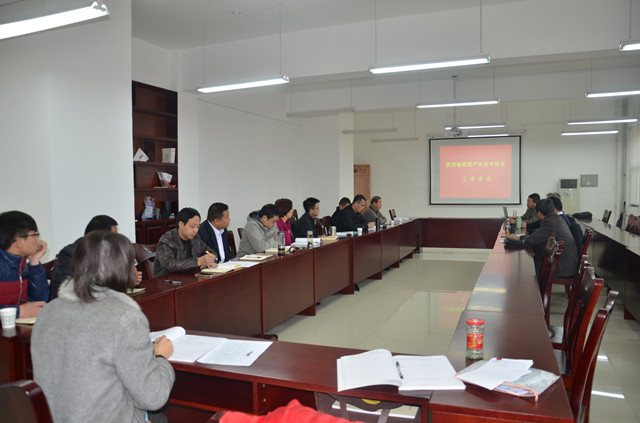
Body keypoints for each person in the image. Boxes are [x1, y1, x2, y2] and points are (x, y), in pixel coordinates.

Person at [32, 231, 175, 423]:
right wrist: (161, 357)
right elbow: (153, 397)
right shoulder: (124, 317)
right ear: (122, 268)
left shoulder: (48, 312)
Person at [50, 215, 144, 300]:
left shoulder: (107, 252)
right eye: (113, 237)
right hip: (69, 307)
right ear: (99, 237)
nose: (115, 241)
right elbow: (76, 289)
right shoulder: (70, 254)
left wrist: (127, 280)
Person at [0, 211, 49, 318]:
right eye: (35, 235)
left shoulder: (24, 267)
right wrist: (18, 312)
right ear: (20, 242)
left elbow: (40, 303)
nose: (38, 240)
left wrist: (34, 262)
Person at [521, 198, 578, 278]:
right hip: (568, 263)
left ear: (539, 213)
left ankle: (534, 282)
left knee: (535, 257)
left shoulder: (549, 222)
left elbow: (534, 239)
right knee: (538, 252)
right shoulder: (556, 218)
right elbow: (538, 235)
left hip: (563, 267)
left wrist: (521, 239)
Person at [153, 207, 217, 277]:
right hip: (166, 280)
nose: (196, 230)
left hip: (189, 278)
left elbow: (210, 252)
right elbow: (168, 264)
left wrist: (210, 260)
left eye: (198, 227)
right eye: (192, 226)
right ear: (181, 224)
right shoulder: (167, 240)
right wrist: (198, 261)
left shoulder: (195, 238)